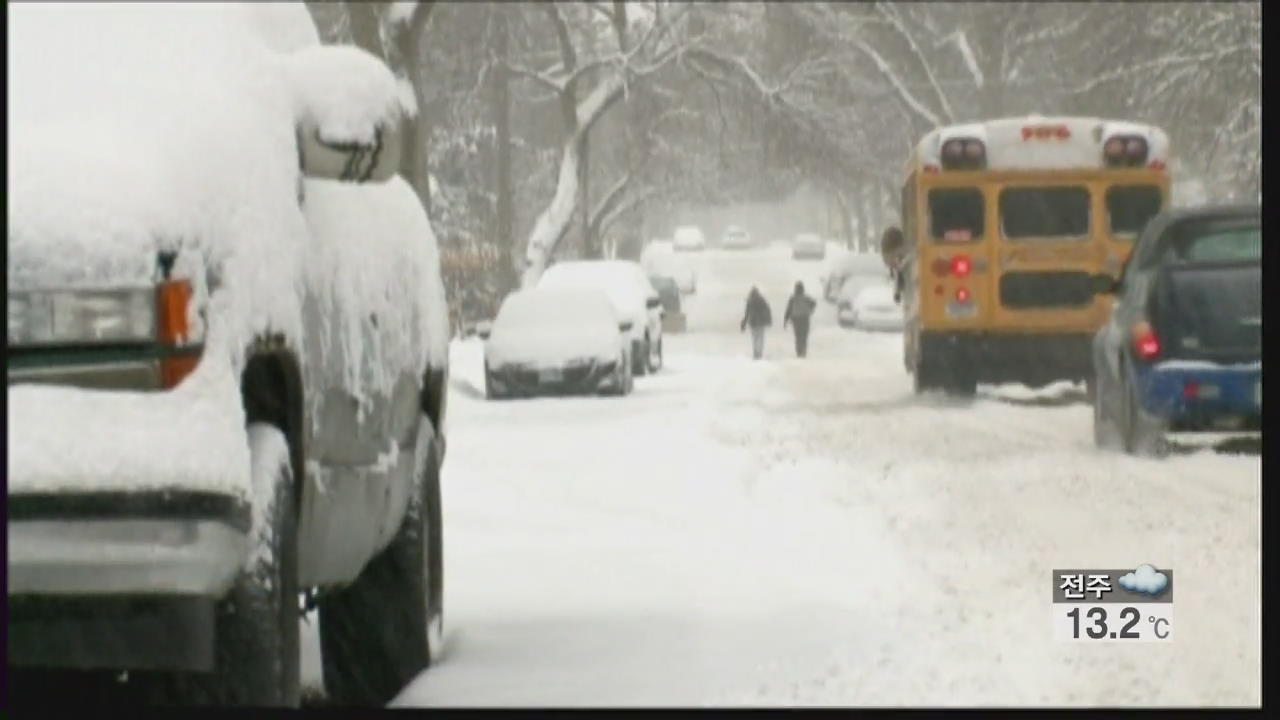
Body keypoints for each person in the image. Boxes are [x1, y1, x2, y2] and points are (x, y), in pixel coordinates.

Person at [783, 281, 817, 358]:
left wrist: (785, 320)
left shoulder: (792, 298)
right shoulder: (806, 298)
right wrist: (811, 310)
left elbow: (788, 310)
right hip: (805, 318)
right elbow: (814, 303)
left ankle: (799, 352)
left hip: (796, 319)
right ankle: (803, 351)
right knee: (804, 335)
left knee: (798, 336)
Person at [740, 286, 772, 359]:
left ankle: (756, 354)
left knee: (755, 339)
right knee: (760, 338)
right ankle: (759, 353)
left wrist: (744, 324)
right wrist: (768, 321)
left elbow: (747, 313)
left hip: (753, 323)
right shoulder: (762, 300)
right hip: (761, 322)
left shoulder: (750, 301)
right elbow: (767, 311)